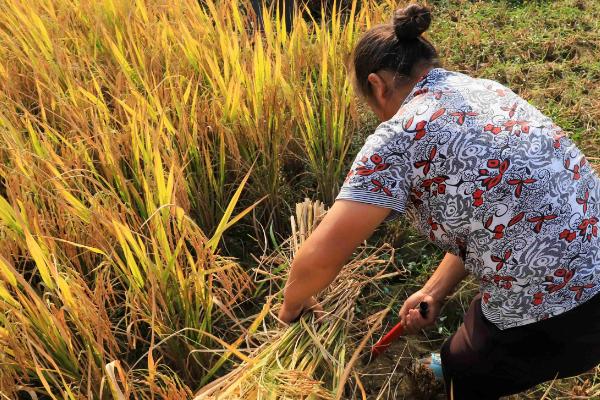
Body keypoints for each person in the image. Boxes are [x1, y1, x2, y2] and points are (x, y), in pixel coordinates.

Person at [277, 3, 600, 399]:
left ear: (377, 85)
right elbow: (493, 213)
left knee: (461, 372)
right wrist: (434, 289)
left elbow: (323, 255)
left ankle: (453, 373)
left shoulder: (399, 137)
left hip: (558, 312)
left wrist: (291, 307)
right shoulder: (486, 90)